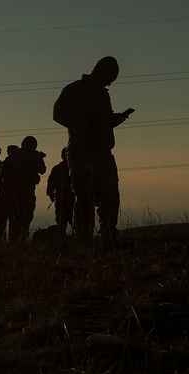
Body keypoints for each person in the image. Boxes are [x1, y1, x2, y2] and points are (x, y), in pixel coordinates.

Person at [53, 56, 134, 244]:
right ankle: (82, 240)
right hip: (81, 154)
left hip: (103, 153)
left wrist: (116, 119)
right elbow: (58, 114)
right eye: (109, 79)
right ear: (100, 73)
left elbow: (103, 121)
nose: (109, 84)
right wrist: (85, 126)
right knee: (85, 199)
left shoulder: (103, 94)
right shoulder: (74, 89)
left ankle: (109, 237)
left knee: (111, 198)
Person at [0, 136, 47, 243]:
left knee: (15, 214)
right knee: (27, 213)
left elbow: (3, 170)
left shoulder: (15, 154)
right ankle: (23, 236)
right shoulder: (34, 155)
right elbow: (42, 170)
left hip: (14, 190)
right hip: (27, 189)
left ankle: (14, 238)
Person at [46, 148, 75, 241]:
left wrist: (51, 194)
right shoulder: (74, 167)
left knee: (62, 221)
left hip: (63, 198)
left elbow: (50, 184)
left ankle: (62, 238)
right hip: (68, 198)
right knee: (72, 220)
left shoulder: (57, 168)